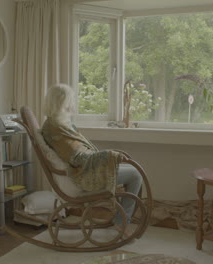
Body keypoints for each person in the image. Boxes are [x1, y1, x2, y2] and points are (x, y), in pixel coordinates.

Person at [41, 84, 142, 237]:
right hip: (82, 174)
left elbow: (79, 152)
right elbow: (77, 157)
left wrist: (107, 157)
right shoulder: (55, 129)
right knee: (135, 175)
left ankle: (120, 219)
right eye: (70, 101)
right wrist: (110, 155)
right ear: (61, 103)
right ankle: (121, 222)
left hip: (86, 168)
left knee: (135, 172)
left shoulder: (60, 123)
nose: (72, 105)